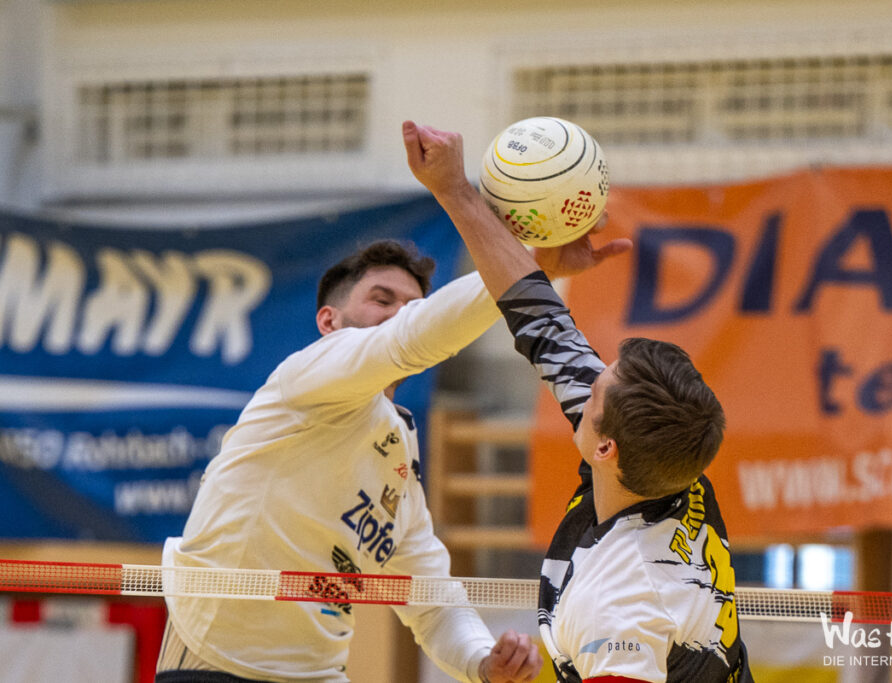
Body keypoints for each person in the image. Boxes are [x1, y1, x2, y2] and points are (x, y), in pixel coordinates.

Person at [403, 121, 753, 683]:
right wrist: (454, 191)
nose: (582, 383)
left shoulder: (620, 602)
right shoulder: (666, 468)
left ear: (606, 447)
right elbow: (540, 320)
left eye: (593, 391)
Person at [156, 239, 544, 682]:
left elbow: (433, 606)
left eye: (413, 306)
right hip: (218, 663)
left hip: (319, 673)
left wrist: (484, 662)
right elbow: (410, 337)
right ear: (330, 321)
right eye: (382, 299)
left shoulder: (399, 455)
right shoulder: (309, 375)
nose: (400, 314)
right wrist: (529, 265)